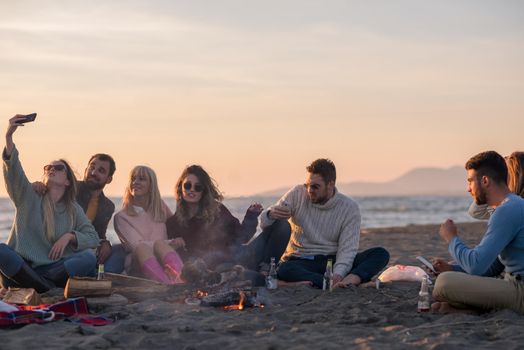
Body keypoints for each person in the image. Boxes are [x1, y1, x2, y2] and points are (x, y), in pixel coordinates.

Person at [0, 115, 99, 292]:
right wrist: (9, 136)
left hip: (52, 270)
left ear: (68, 181)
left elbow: (93, 238)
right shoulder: (28, 194)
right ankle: (45, 287)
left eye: (59, 168)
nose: (52, 169)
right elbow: (13, 170)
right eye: (48, 168)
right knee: (2, 251)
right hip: (19, 270)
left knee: (89, 258)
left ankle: (41, 284)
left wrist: (69, 236)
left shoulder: (73, 209)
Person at [260, 158, 390, 288]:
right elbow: (266, 225)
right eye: (307, 185)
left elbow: (347, 250)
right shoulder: (297, 194)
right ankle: (337, 283)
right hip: (300, 261)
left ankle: (348, 280)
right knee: (285, 269)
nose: (309, 190)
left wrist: (338, 273)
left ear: (330, 185)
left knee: (380, 254)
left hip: (332, 262)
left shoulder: (349, 208)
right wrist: (270, 215)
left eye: (315, 187)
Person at [432, 151, 524, 313]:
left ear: (485, 181)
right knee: (449, 279)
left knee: (444, 283)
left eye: (470, 181)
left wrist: (452, 238)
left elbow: (476, 266)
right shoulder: (510, 206)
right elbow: (494, 267)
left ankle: (472, 308)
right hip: (513, 285)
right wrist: (452, 269)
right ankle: (466, 309)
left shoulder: (508, 210)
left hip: (519, 290)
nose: (468, 189)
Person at [33, 153, 123, 273]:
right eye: (92, 167)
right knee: (87, 257)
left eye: (101, 171)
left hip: (86, 247)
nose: (93, 172)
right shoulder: (70, 189)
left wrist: (105, 243)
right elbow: (51, 189)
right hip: (64, 249)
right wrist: (37, 185)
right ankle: (93, 273)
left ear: (109, 179)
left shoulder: (107, 206)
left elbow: (98, 234)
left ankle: (104, 276)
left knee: (120, 250)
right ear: (86, 169)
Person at [166, 165, 263, 270]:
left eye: (198, 187)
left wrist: (251, 216)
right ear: (181, 187)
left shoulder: (218, 210)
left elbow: (242, 237)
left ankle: (265, 270)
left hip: (234, 261)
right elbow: (177, 257)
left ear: (204, 191)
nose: (192, 190)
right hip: (207, 271)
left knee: (279, 228)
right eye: (187, 185)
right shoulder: (172, 223)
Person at [113, 165, 183, 284]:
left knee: (160, 245)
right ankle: (165, 285)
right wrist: (168, 243)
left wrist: (178, 241)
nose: (135, 182)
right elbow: (135, 245)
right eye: (133, 179)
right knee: (143, 247)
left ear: (151, 185)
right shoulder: (121, 217)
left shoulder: (159, 207)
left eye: (142, 179)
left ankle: (180, 279)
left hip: (164, 259)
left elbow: (175, 226)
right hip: (139, 264)